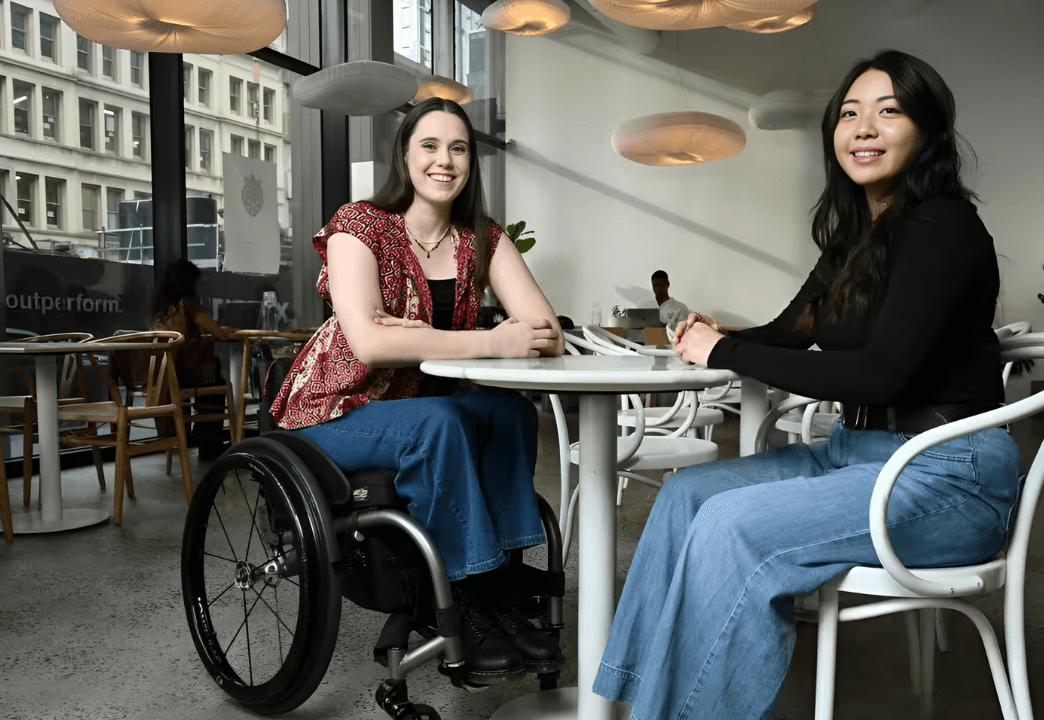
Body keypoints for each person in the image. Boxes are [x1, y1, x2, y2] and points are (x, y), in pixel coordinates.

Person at [593, 50, 1020, 719]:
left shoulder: (942, 225)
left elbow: (882, 372)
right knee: (685, 497)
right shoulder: (857, 237)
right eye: (849, 113)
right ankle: (634, 703)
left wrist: (725, 349)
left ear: (927, 130)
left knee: (733, 525)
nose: (863, 129)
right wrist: (719, 332)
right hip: (858, 454)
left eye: (889, 112)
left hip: (945, 476)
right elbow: (791, 332)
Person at [270, 97, 565, 680]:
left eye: (458, 148)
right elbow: (372, 345)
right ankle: (468, 597)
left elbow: (548, 335)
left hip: (417, 406)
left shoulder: (481, 238)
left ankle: (501, 584)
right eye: (429, 145)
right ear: (404, 156)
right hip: (334, 409)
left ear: (470, 164)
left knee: (506, 413)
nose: (444, 161)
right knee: (443, 422)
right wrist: (488, 340)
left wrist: (424, 338)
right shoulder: (359, 226)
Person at [150, 259, 236, 461]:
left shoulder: (160, 306)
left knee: (212, 373)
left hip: (163, 373)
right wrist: (230, 331)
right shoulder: (187, 304)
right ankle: (209, 441)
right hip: (185, 374)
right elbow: (219, 334)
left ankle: (203, 437)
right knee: (216, 380)